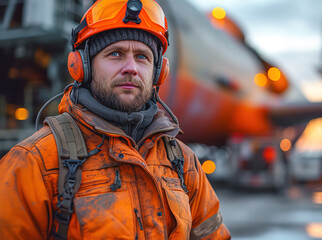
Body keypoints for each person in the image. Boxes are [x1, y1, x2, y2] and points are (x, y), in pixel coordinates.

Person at [0, 0, 231, 239]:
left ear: (158, 72)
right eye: (116, 54)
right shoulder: (33, 163)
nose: (131, 67)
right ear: (82, 67)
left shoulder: (183, 162)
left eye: (142, 57)